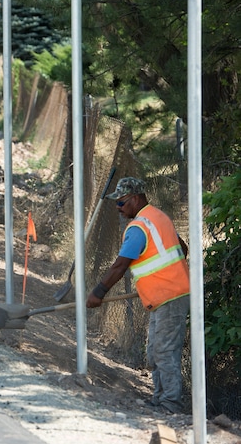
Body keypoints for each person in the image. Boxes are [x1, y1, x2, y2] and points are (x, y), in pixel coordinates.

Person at [86, 177, 190, 414]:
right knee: (154, 350)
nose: (118, 209)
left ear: (135, 199)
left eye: (121, 203)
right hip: (164, 295)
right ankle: (160, 400)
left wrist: (98, 293)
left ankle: (170, 404)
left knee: (163, 351)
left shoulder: (139, 228)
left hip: (169, 296)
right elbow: (182, 249)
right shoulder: (159, 217)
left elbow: (120, 266)